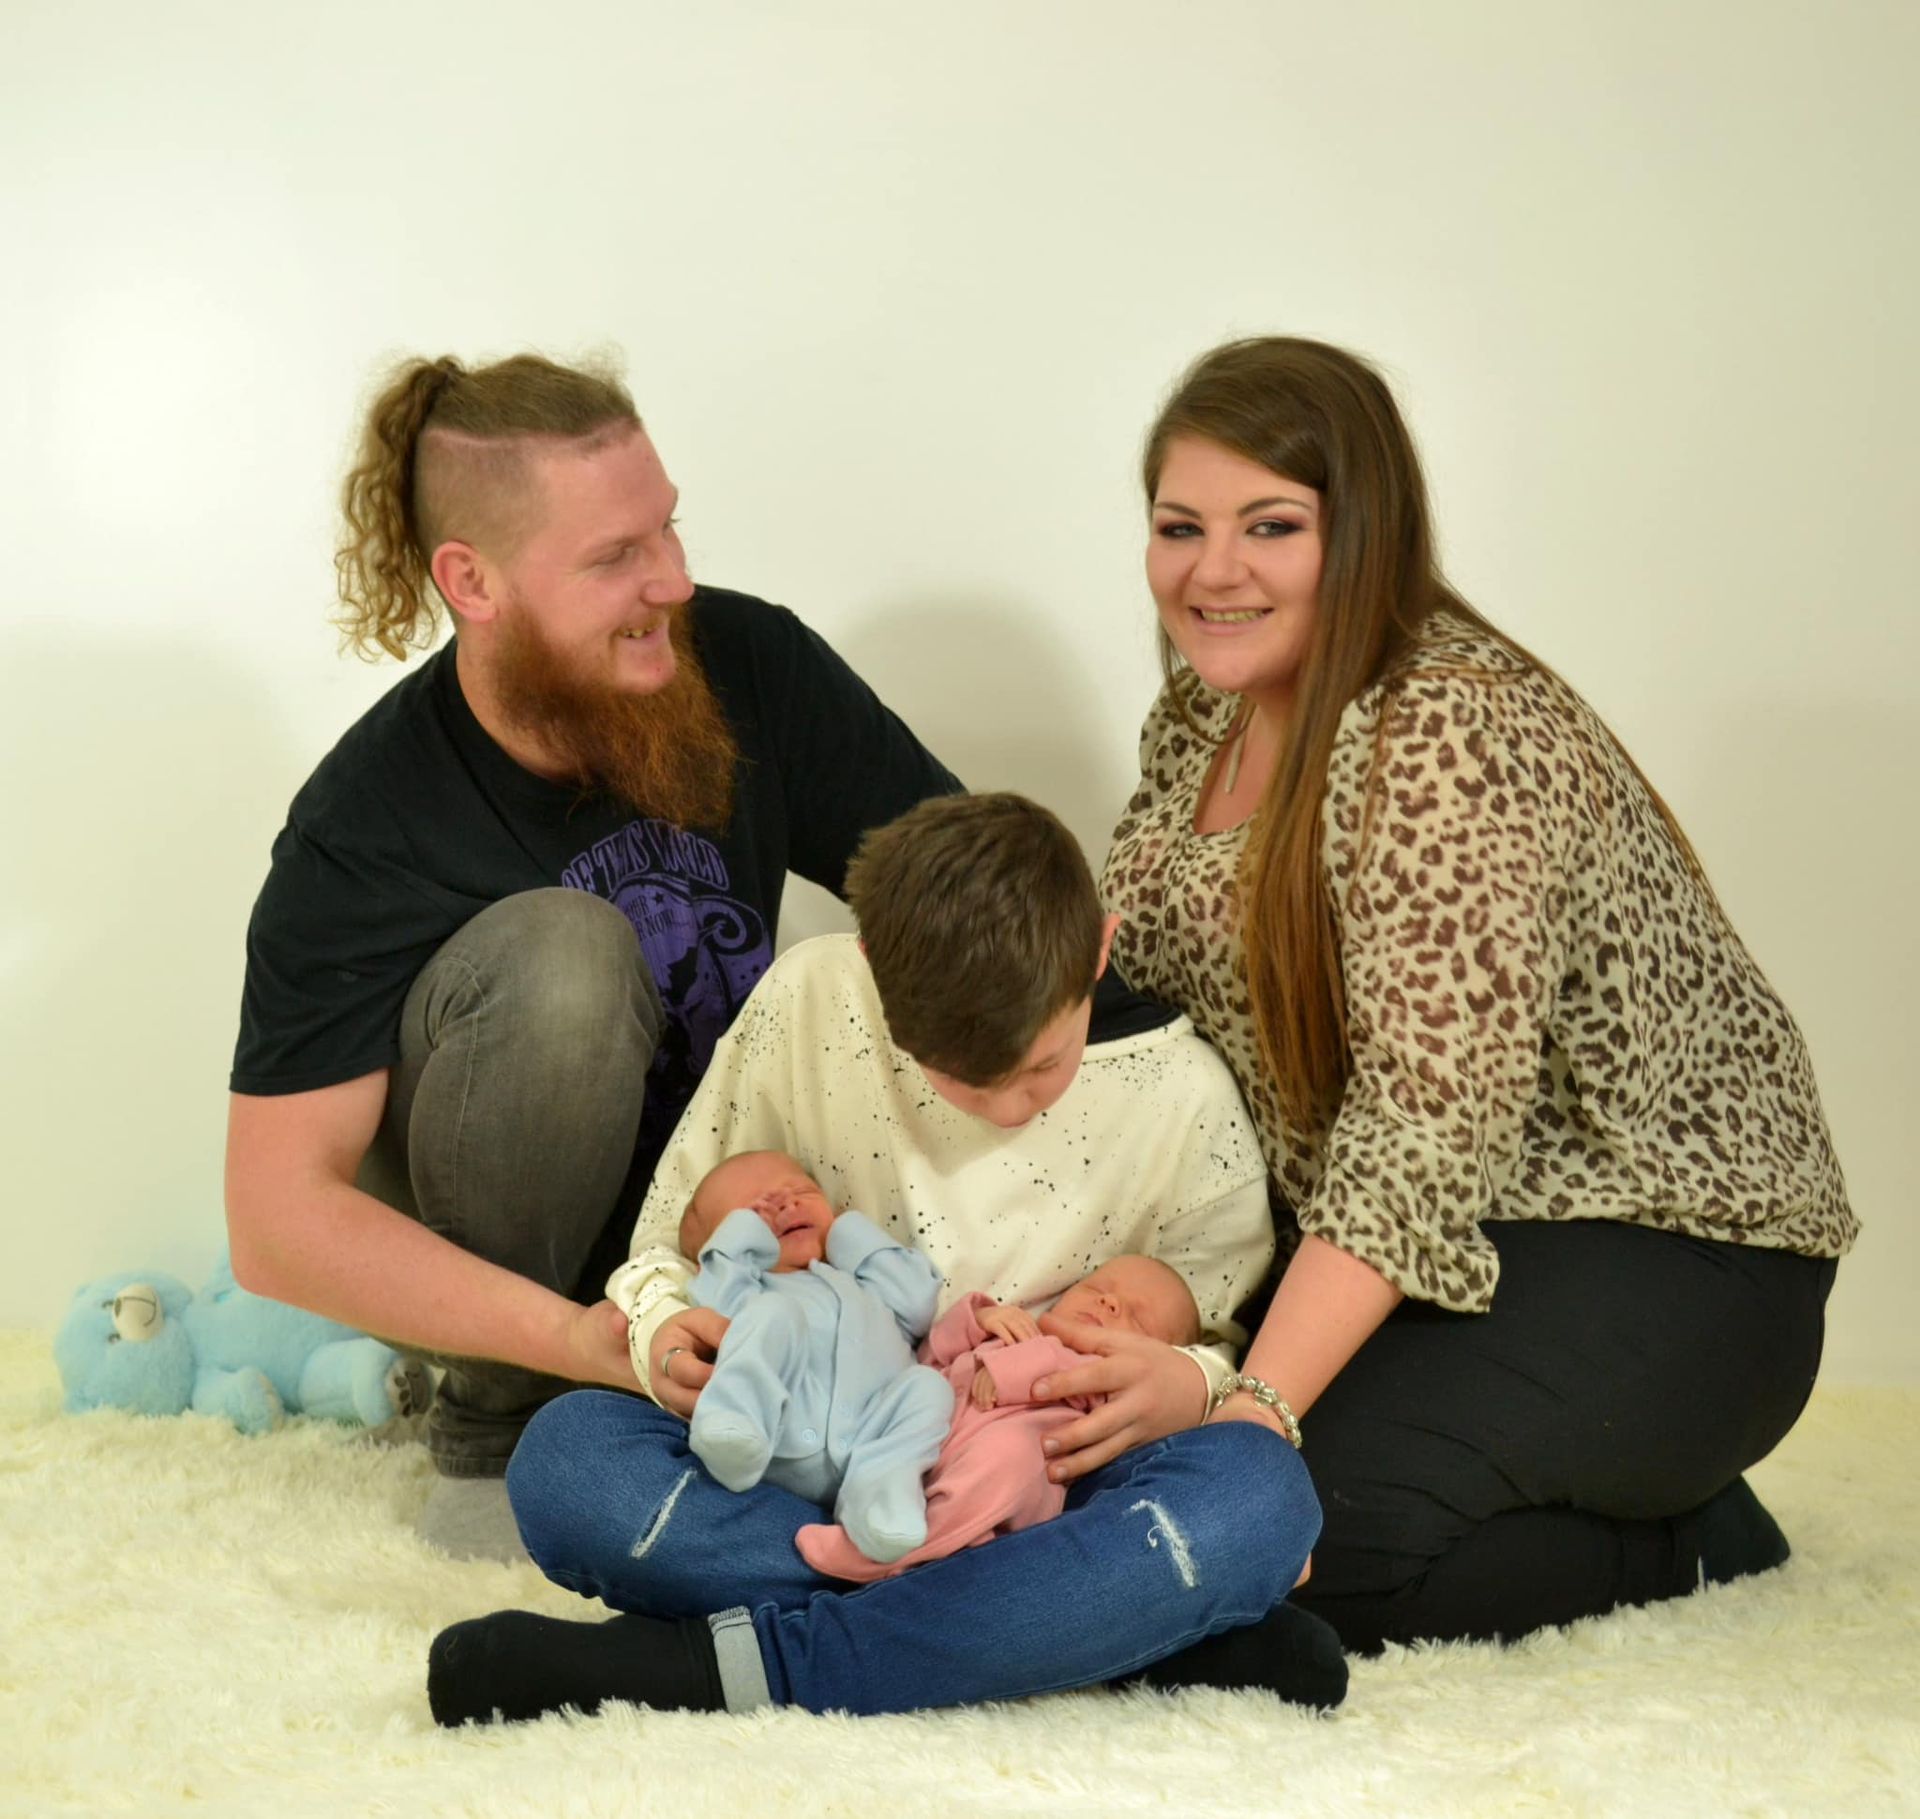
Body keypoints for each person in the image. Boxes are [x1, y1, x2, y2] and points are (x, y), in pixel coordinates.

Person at [1097, 334, 1856, 1653]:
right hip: (1451, 1243)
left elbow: (1427, 1119)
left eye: (1268, 525)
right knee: (1141, 1494)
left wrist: (1258, 1399)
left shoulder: (1446, 730)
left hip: (1672, 1246)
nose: (1212, 569)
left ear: (1366, 529)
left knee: (1299, 1535)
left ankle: (1695, 1529)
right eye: (1181, 526)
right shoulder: (1199, 727)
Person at [222, 351, 959, 1558]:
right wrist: (578, 1342)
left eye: (666, 529)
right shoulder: (367, 819)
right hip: (522, 1293)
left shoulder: (750, 666)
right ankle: (504, 1422)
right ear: (475, 581)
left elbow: (954, 901)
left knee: (866, 973)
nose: (670, 579)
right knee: (569, 954)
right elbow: (275, 1216)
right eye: (615, 557)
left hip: (724, 1253)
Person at [427, 792, 1346, 1724]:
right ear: (873, 970)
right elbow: (673, 1243)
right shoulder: (810, 999)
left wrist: (1183, 1384)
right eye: (957, 1075)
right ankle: (1081, 1628)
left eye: (1041, 1066)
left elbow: (1227, 1347)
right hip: (816, 1456)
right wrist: (667, 1332)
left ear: (1100, 949)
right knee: (566, 1462)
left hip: (1051, 1479)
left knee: (1262, 1496)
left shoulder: (1185, 1099)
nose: (1005, 1107)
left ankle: (725, 1670)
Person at [793, 1257, 1203, 1583]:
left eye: (1137, 1317)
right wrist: (979, 1318)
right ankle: (871, 1510)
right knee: (915, 1385)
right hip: (919, 1449)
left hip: (1012, 1467)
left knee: (1007, 1460)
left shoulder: (1098, 1371)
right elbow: (932, 1352)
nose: (1110, 1302)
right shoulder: (1019, 1326)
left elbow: (1071, 1373)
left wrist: (1010, 1371)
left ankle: (885, 1557)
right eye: (1097, 1288)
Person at [677, 1149, 954, 1562]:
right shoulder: (753, 1293)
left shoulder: (862, 1285)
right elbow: (714, 1300)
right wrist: (738, 1241)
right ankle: (734, 1423)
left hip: (872, 1433)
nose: (786, 1204)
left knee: (929, 1386)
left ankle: (879, 1495)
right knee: (772, 1316)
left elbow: (917, 1303)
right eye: (755, 1210)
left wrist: (849, 1232)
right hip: (780, 1435)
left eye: (801, 1191)